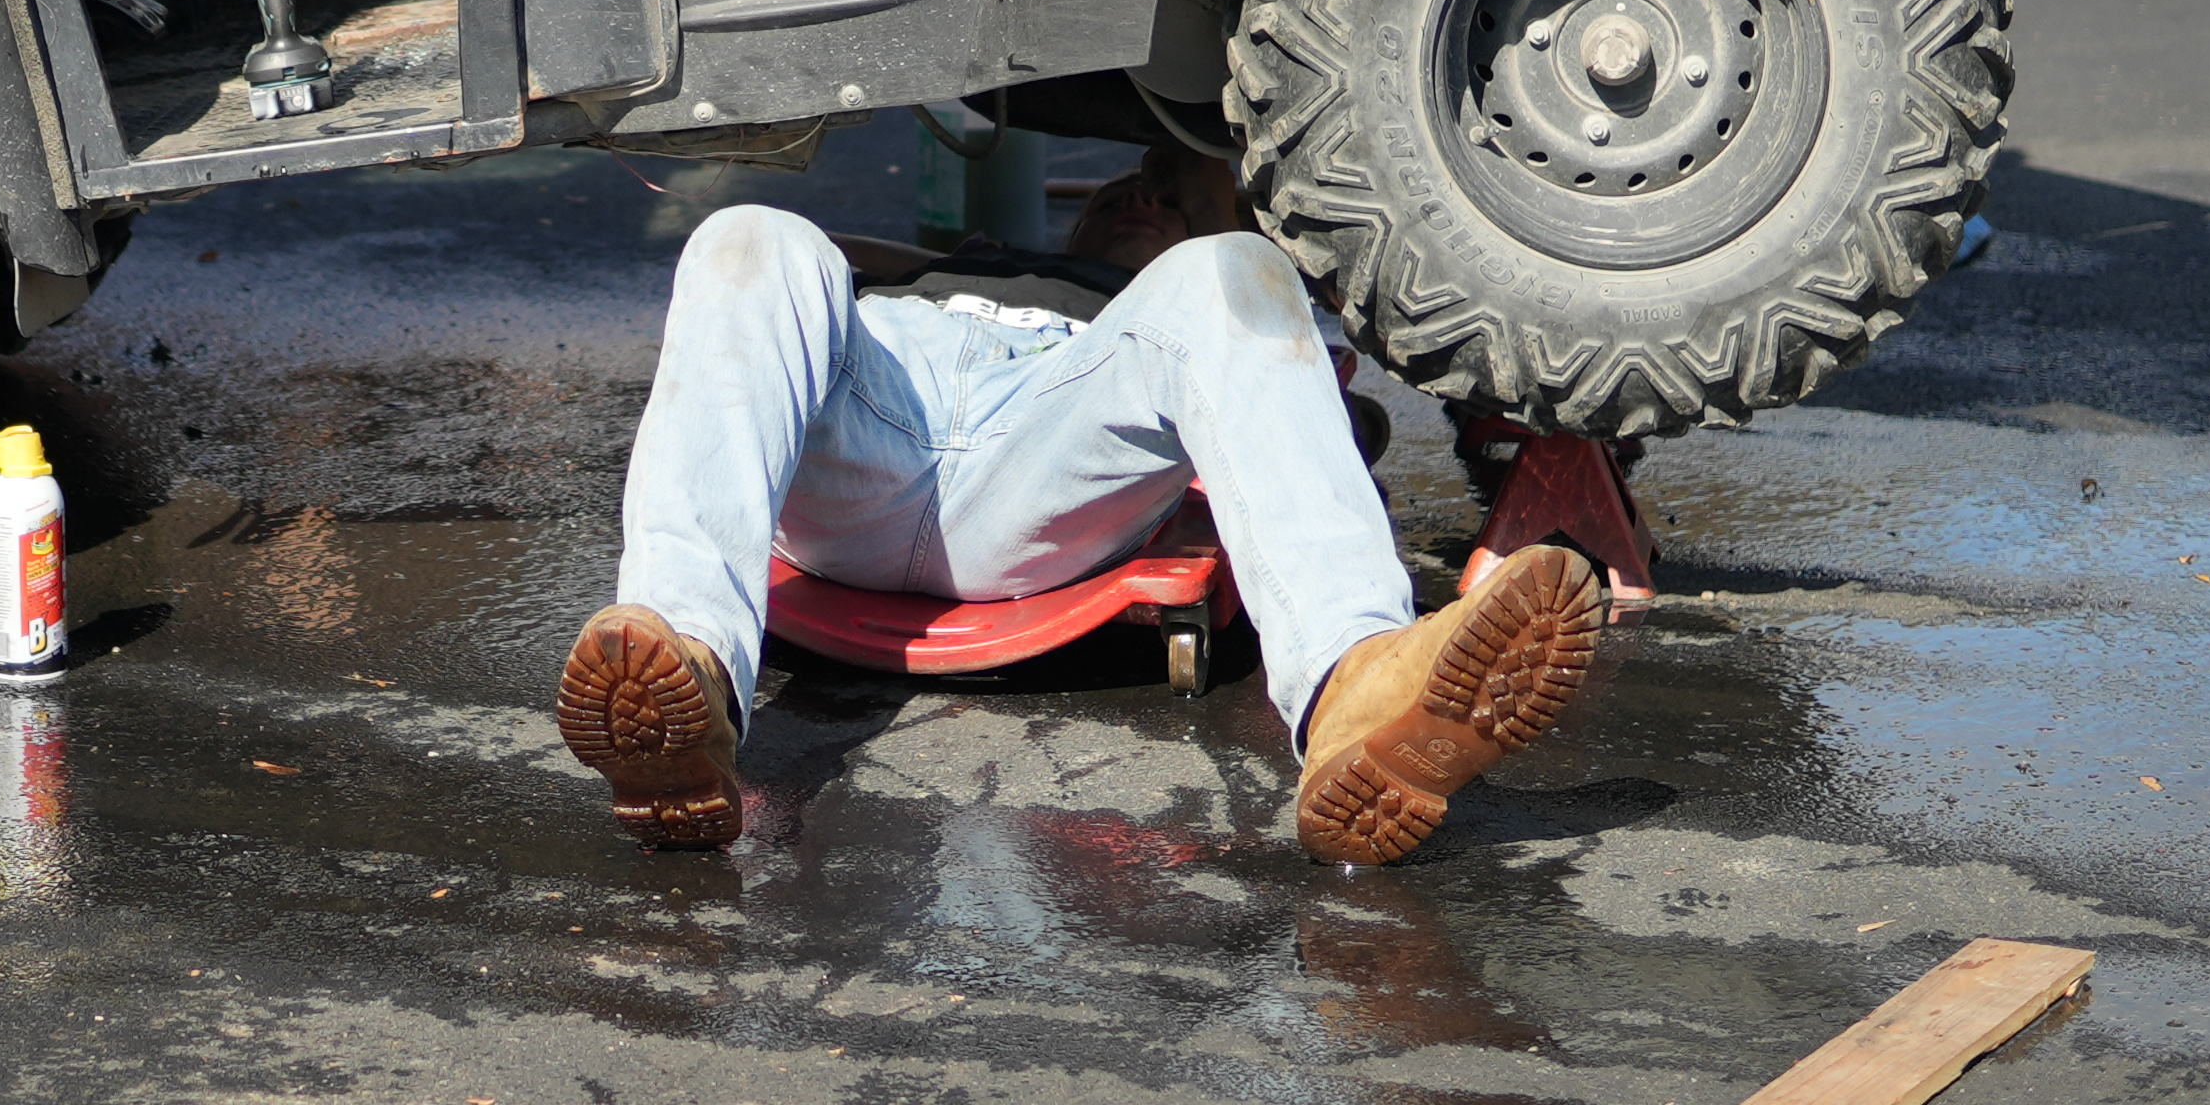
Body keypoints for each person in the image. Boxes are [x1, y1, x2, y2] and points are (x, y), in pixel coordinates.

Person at [552, 164, 1602, 862]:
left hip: (1050, 454)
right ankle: (686, 677)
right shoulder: (946, 268)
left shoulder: (1145, 309)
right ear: (1071, 221)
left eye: (1161, 200)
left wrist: (1218, 240)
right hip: (871, 416)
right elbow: (798, 289)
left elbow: (1299, 379)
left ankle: (1357, 695)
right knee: (751, 236)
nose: (1136, 198)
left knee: (1237, 273)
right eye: (1114, 197)